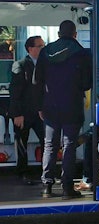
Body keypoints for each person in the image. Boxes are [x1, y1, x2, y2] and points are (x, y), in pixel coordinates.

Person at [35, 20, 92, 199]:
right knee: (69, 145)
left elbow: (37, 81)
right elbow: (86, 83)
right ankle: (67, 188)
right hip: (72, 106)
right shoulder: (82, 53)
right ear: (75, 34)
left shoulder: (45, 52)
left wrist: (39, 106)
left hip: (50, 106)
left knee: (50, 145)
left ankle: (47, 186)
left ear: (59, 34)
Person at [9, 36, 45, 185]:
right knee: (22, 143)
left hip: (40, 113)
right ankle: (23, 173)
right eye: (40, 46)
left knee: (47, 141)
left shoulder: (45, 65)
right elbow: (15, 91)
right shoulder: (20, 65)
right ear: (31, 48)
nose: (43, 49)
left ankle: (46, 172)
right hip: (23, 113)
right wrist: (17, 114)